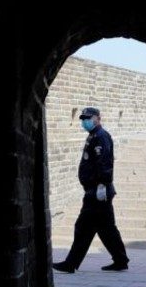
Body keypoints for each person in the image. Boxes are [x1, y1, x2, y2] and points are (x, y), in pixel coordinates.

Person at [52, 107, 130, 273]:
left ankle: (70, 263)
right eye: (83, 119)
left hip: (97, 192)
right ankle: (121, 260)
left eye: (88, 118)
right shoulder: (94, 136)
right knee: (106, 228)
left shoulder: (101, 136)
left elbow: (105, 163)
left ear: (98, 118)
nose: (84, 121)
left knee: (83, 227)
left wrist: (102, 185)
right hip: (96, 191)